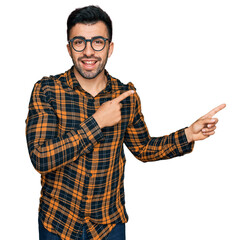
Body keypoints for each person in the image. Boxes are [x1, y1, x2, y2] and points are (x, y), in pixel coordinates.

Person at [25, 5, 226, 240]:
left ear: (110, 48)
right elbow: (41, 157)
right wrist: (97, 122)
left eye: (97, 42)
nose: (88, 51)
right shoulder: (47, 90)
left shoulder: (126, 96)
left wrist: (188, 135)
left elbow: (143, 148)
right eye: (79, 42)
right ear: (69, 48)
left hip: (109, 225)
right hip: (58, 222)